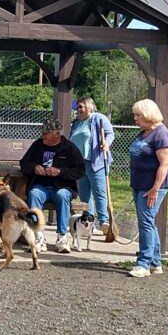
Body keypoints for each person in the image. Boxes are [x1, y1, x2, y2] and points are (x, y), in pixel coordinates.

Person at [19, 117, 85, 252]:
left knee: (62, 196)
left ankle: (62, 237)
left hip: (63, 187)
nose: (42, 136)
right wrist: (34, 167)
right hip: (41, 185)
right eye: (42, 133)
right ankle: (39, 237)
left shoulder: (69, 148)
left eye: (45, 133)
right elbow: (24, 164)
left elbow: (80, 171)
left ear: (57, 134)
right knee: (33, 193)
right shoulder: (37, 145)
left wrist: (60, 171)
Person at [127, 99, 168, 278]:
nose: (135, 119)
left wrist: (155, 189)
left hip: (152, 186)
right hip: (139, 184)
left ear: (147, 115)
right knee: (148, 222)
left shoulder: (162, 135)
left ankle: (143, 264)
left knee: (145, 222)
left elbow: (165, 164)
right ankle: (155, 263)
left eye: (138, 115)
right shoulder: (144, 133)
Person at [69, 97, 114, 236]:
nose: (79, 110)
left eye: (81, 107)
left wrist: (106, 143)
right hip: (80, 164)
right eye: (77, 107)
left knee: (99, 193)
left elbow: (109, 133)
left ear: (89, 106)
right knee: (85, 195)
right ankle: (89, 223)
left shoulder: (98, 118)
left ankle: (104, 222)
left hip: (96, 162)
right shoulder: (76, 123)